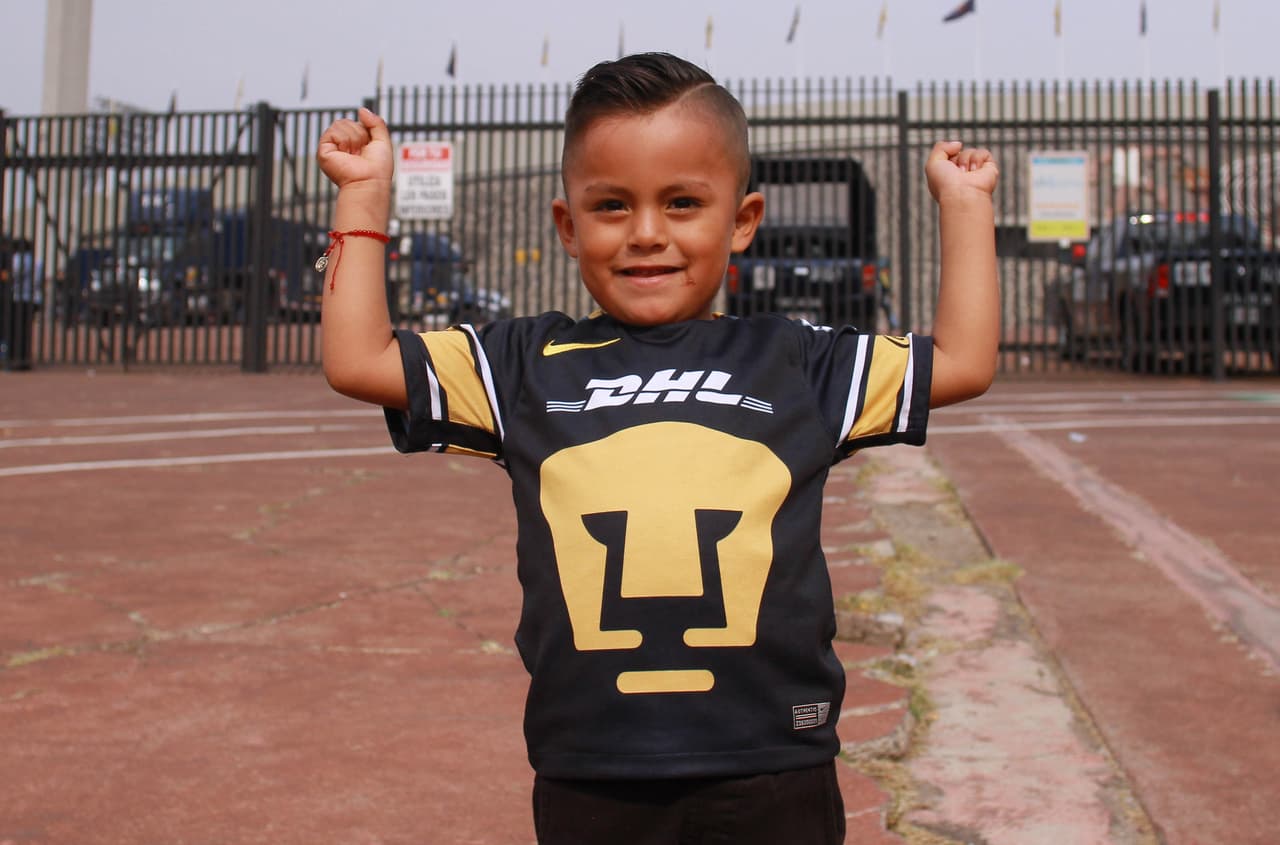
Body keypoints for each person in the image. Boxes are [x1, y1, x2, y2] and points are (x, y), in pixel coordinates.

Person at [316, 52, 998, 845]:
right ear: (567, 227)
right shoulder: (518, 365)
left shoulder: (801, 361)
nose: (646, 234)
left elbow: (961, 362)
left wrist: (966, 206)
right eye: (611, 205)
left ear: (742, 220)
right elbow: (358, 360)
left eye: (682, 203)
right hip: (590, 771)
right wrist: (362, 195)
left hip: (775, 762)